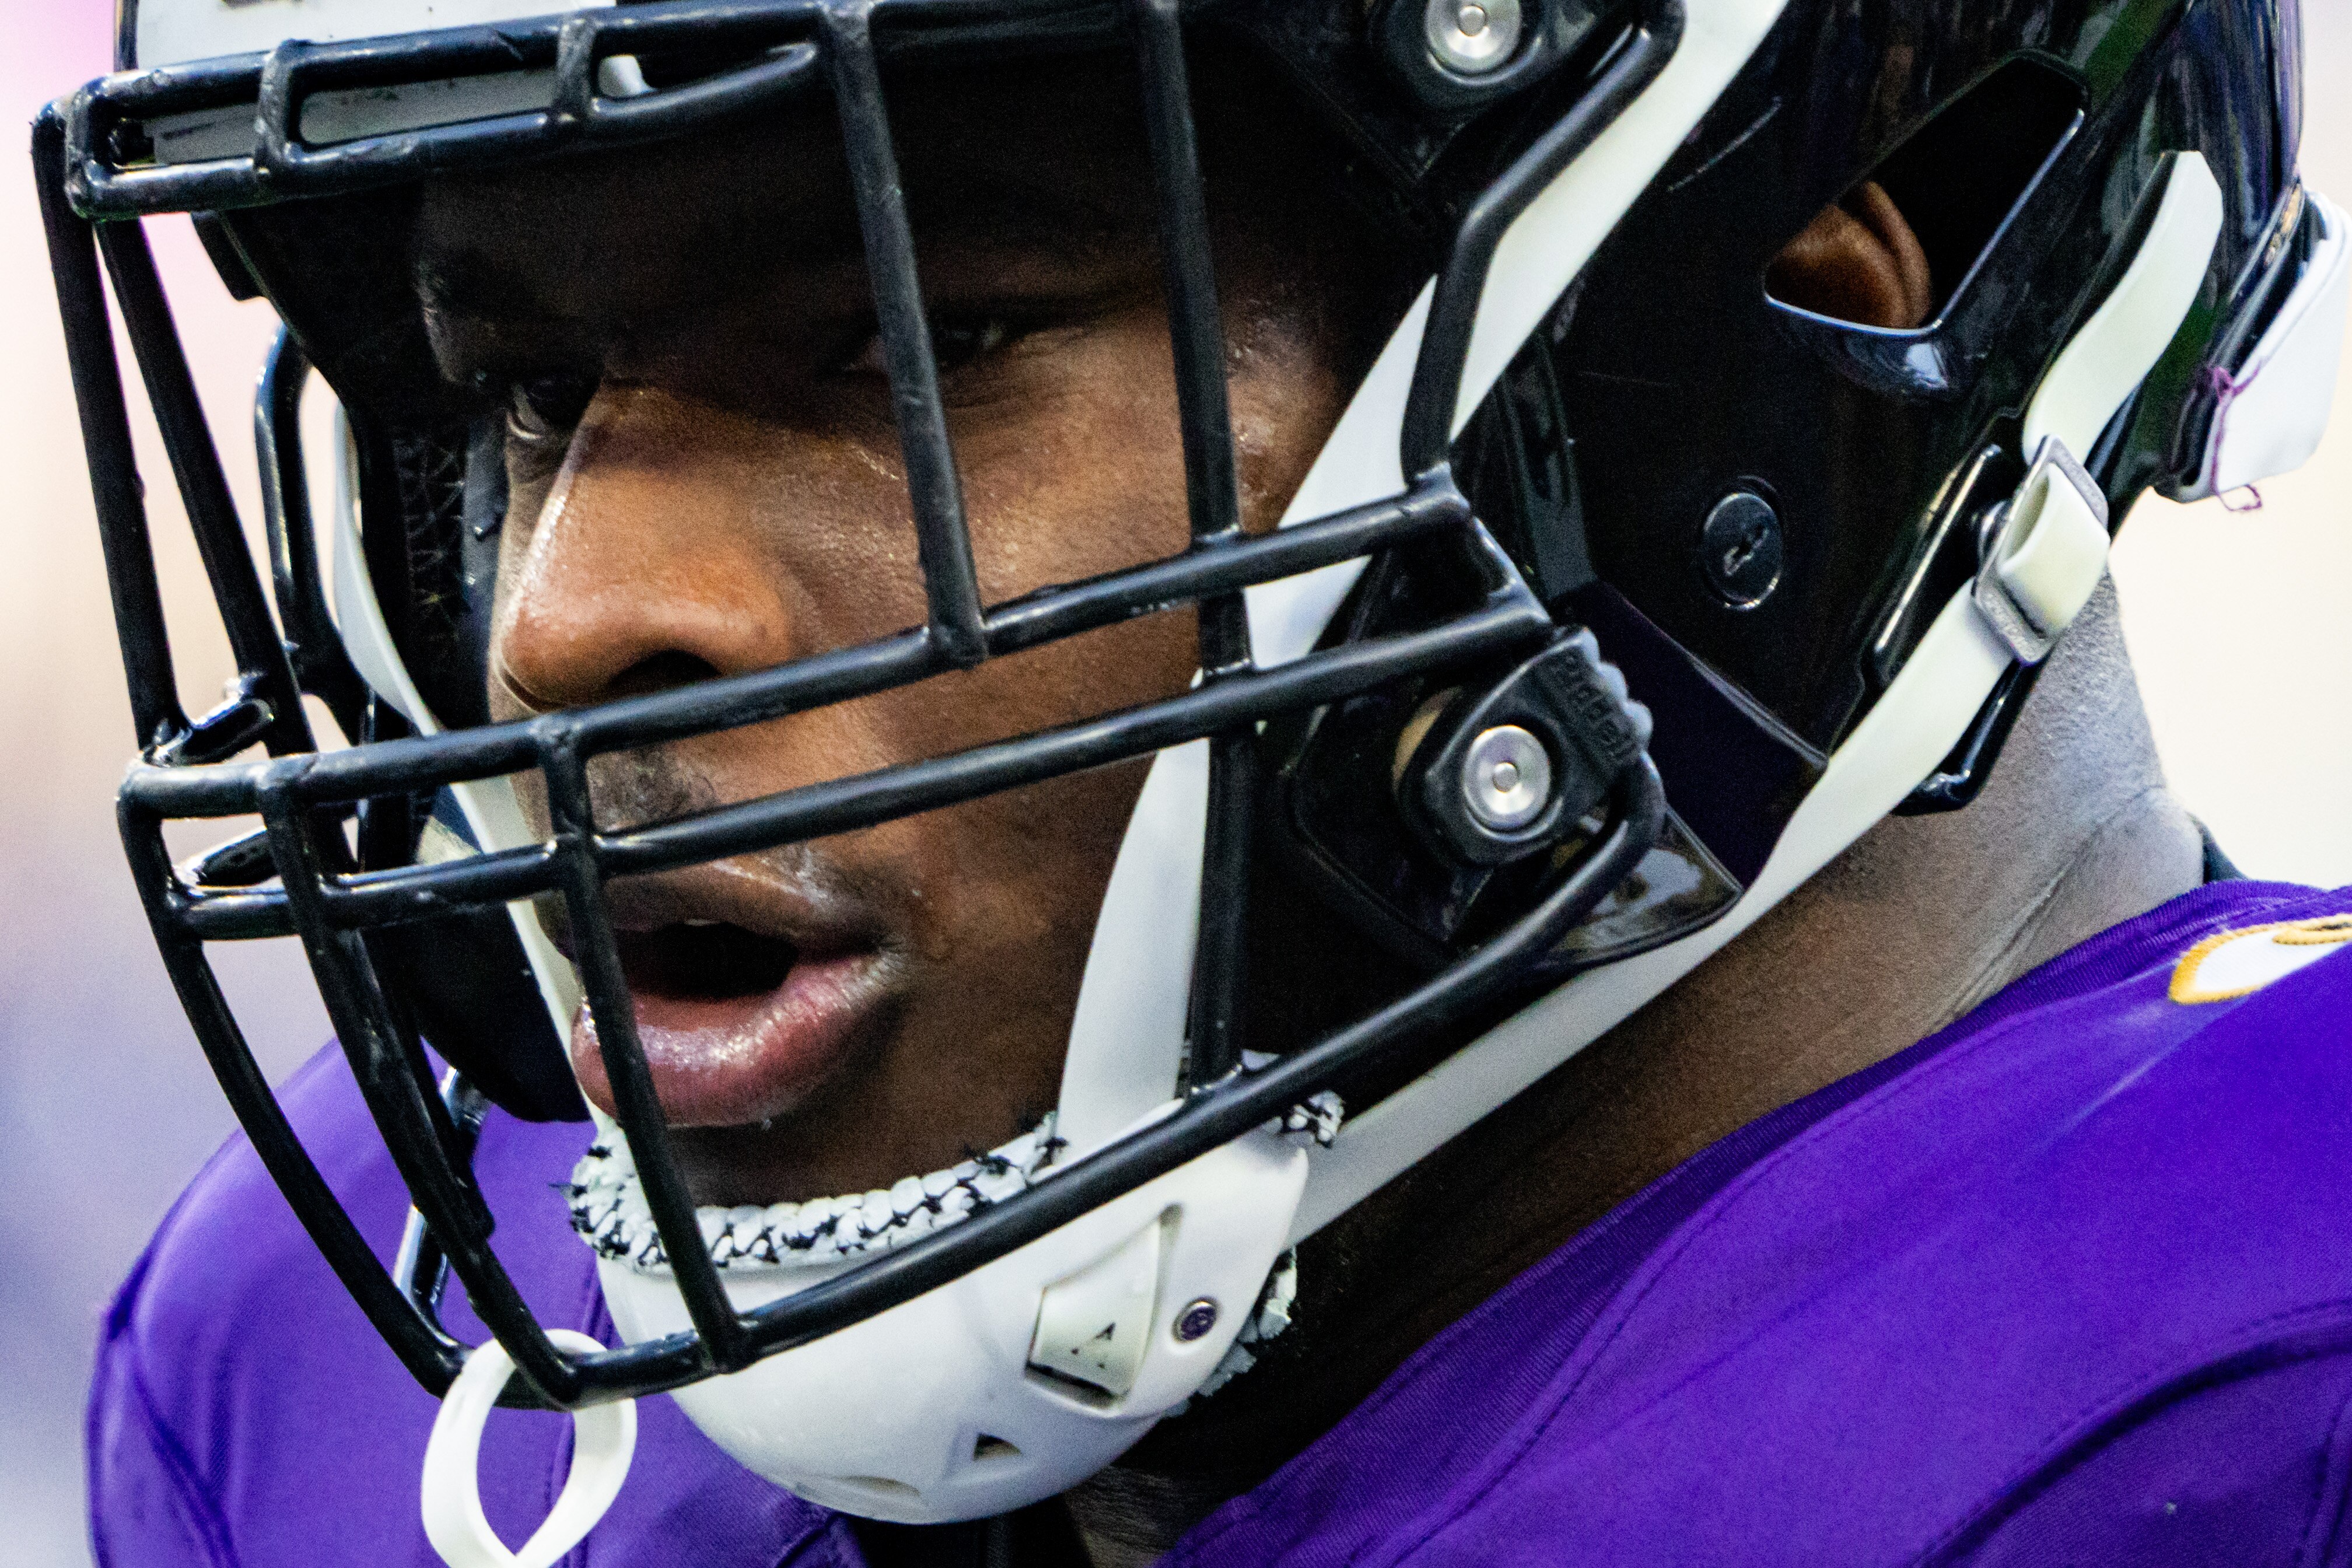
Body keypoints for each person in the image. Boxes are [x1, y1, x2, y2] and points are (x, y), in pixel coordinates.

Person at [41, 0, 2350, 1562]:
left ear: (1775, 350)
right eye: (529, 394)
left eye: (916, 346)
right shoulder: (353, 1357)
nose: (566, 619)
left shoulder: (2250, 1357)